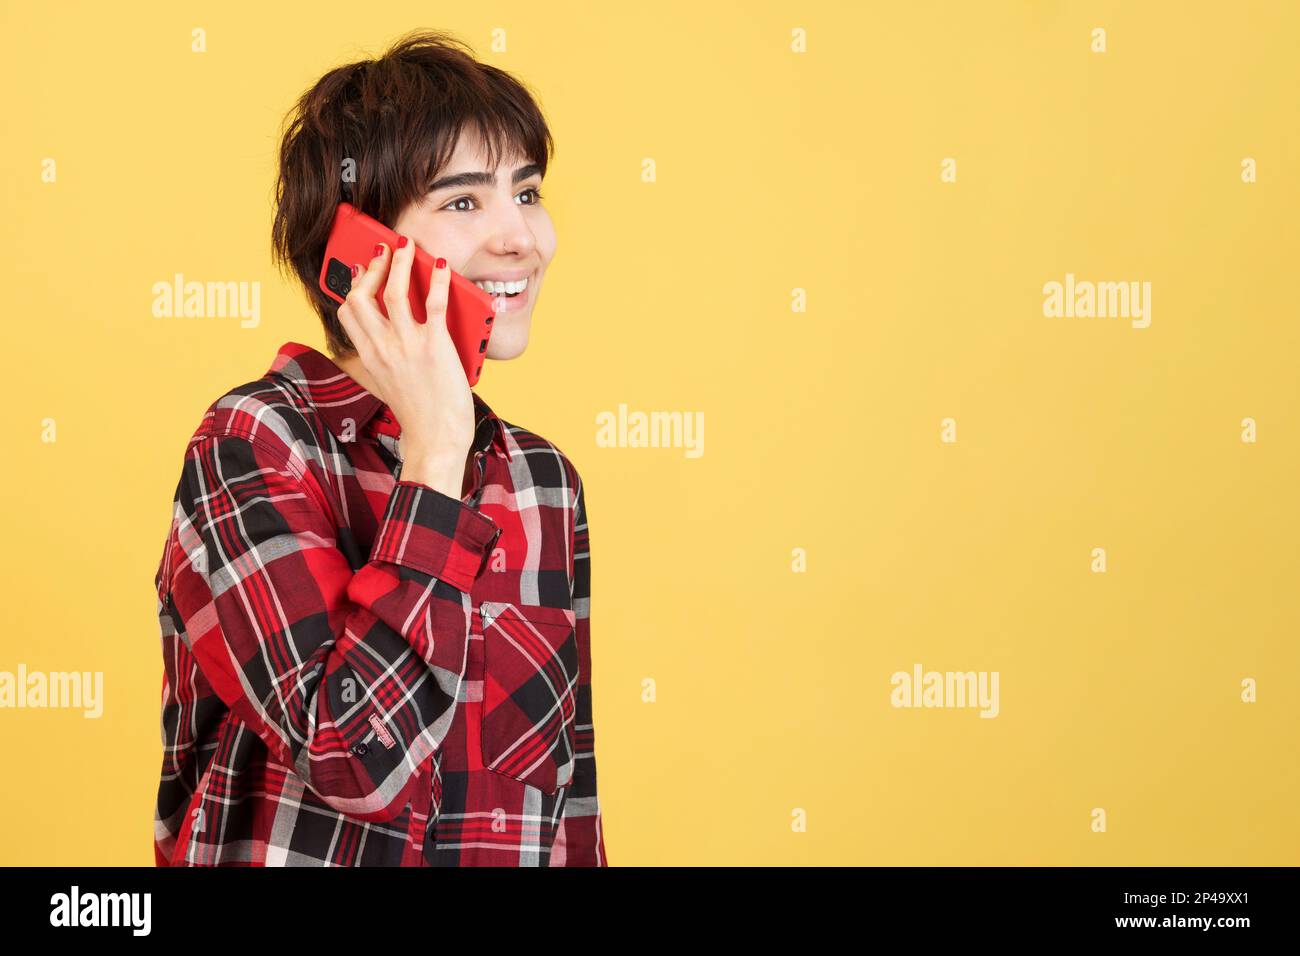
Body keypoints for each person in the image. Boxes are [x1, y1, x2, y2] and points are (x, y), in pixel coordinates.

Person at [152, 29, 606, 867]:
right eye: (465, 203)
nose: (523, 239)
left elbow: (568, 806)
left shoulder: (544, 484)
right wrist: (434, 457)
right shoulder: (254, 444)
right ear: (356, 246)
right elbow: (353, 762)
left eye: (528, 193)